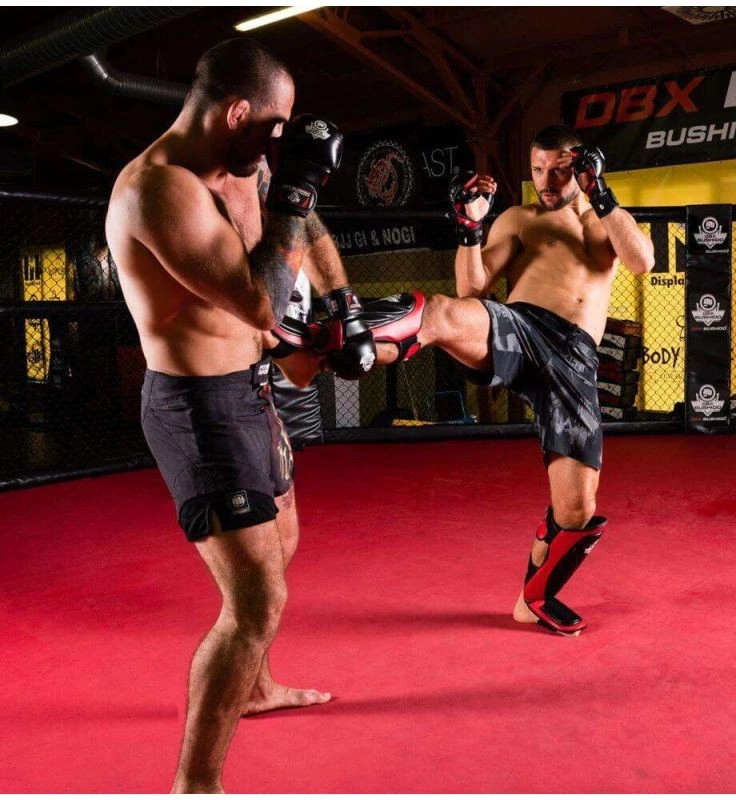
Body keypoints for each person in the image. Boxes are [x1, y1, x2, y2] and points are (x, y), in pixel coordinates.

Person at [105, 38, 374, 793]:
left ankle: (255, 688)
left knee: (282, 546)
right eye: (273, 125)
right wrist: (297, 187)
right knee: (258, 601)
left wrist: (344, 306)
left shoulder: (247, 164)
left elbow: (307, 226)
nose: (280, 140)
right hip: (197, 407)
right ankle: (196, 784)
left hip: (253, 389)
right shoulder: (158, 190)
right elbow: (256, 302)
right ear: (235, 112)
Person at [271, 124, 655, 636]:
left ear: (582, 164)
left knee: (577, 510)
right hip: (523, 328)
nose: (545, 180)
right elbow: (472, 287)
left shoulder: (609, 220)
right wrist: (470, 228)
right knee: (443, 313)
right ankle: (320, 340)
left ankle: (534, 598)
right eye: (537, 169)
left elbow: (642, 261)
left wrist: (600, 192)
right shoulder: (520, 219)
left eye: (558, 169)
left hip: (575, 360)